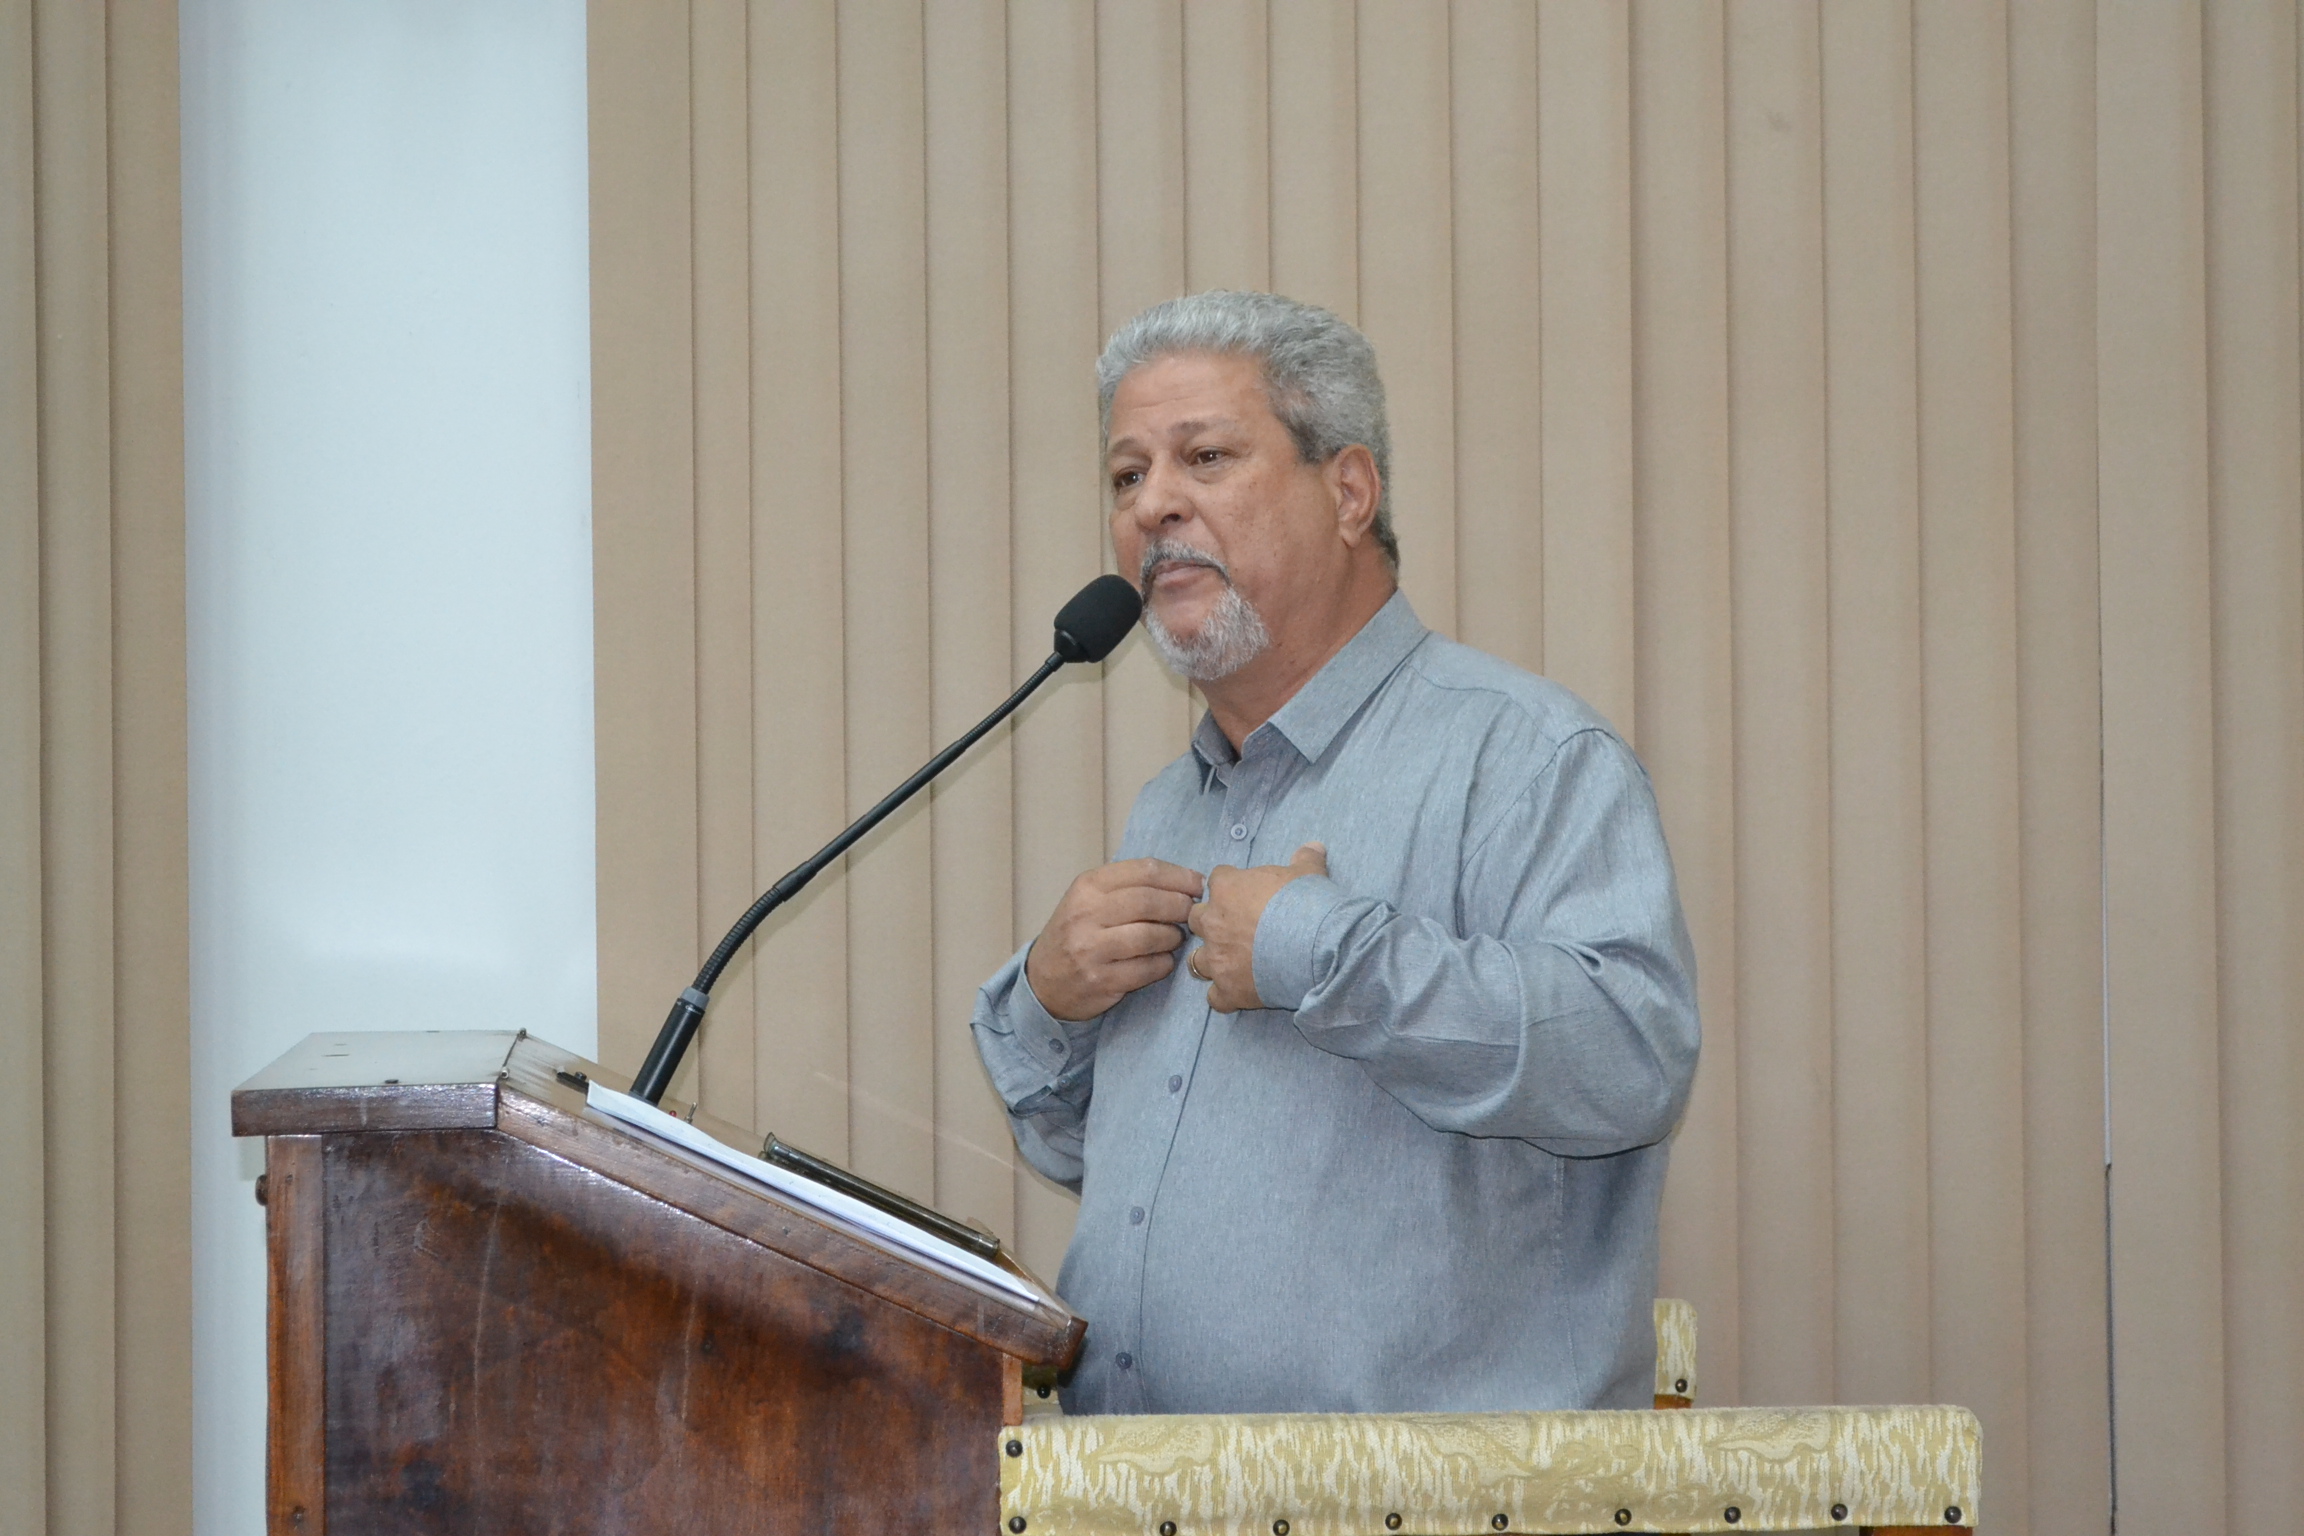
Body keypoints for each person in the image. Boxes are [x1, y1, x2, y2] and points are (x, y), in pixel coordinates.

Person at [970, 290, 1699, 1415]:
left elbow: (1630, 1060)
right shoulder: (1170, 807)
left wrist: (1320, 951)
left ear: (1349, 491)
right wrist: (1050, 1005)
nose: (1153, 505)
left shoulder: (1527, 758)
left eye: (1205, 457)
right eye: (1126, 476)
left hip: (1426, 1496)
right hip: (1140, 1486)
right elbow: (1112, 1162)